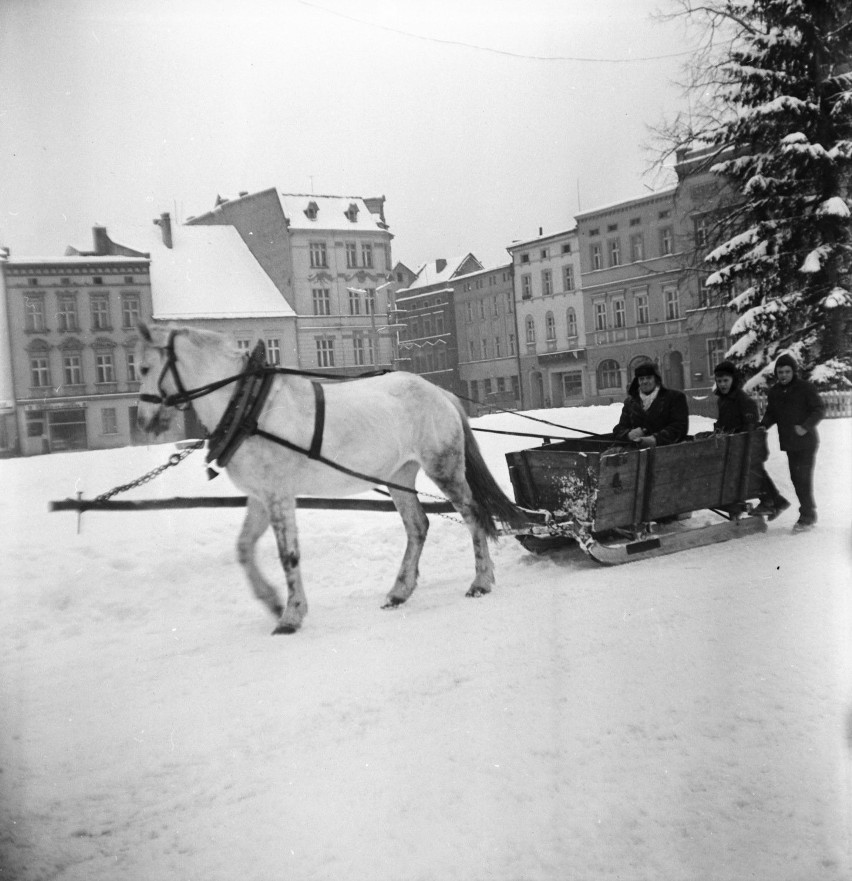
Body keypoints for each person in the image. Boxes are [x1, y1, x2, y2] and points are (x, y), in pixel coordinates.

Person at [711, 359, 789, 519]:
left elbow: (750, 426)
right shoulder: (723, 400)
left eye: (726, 380)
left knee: (751, 470)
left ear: (734, 380)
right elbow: (724, 421)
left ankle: (771, 501)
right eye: (719, 381)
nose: (723, 385)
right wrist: (718, 431)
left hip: (746, 444)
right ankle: (776, 501)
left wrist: (739, 436)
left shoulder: (744, 401)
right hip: (732, 445)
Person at [758, 352, 824, 532]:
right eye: (780, 372)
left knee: (803, 479)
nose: (784, 375)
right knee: (796, 479)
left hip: (806, 442)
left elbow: (819, 409)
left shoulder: (805, 388)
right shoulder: (775, 392)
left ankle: (807, 516)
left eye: (787, 371)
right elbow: (771, 413)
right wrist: (763, 425)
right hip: (789, 443)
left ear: (793, 372)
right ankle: (808, 513)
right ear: (776, 374)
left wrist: (805, 426)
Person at [613, 362, 689, 447]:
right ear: (637, 381)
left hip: (666, 452)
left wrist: (655, 439)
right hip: (635, 452)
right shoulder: (630, 402)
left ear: (656, 379)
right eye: (641, 379)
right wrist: (628, 434)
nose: (645, 381)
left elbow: (679, 427)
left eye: (649, 378)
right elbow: (620, 428)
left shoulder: (674, 398)